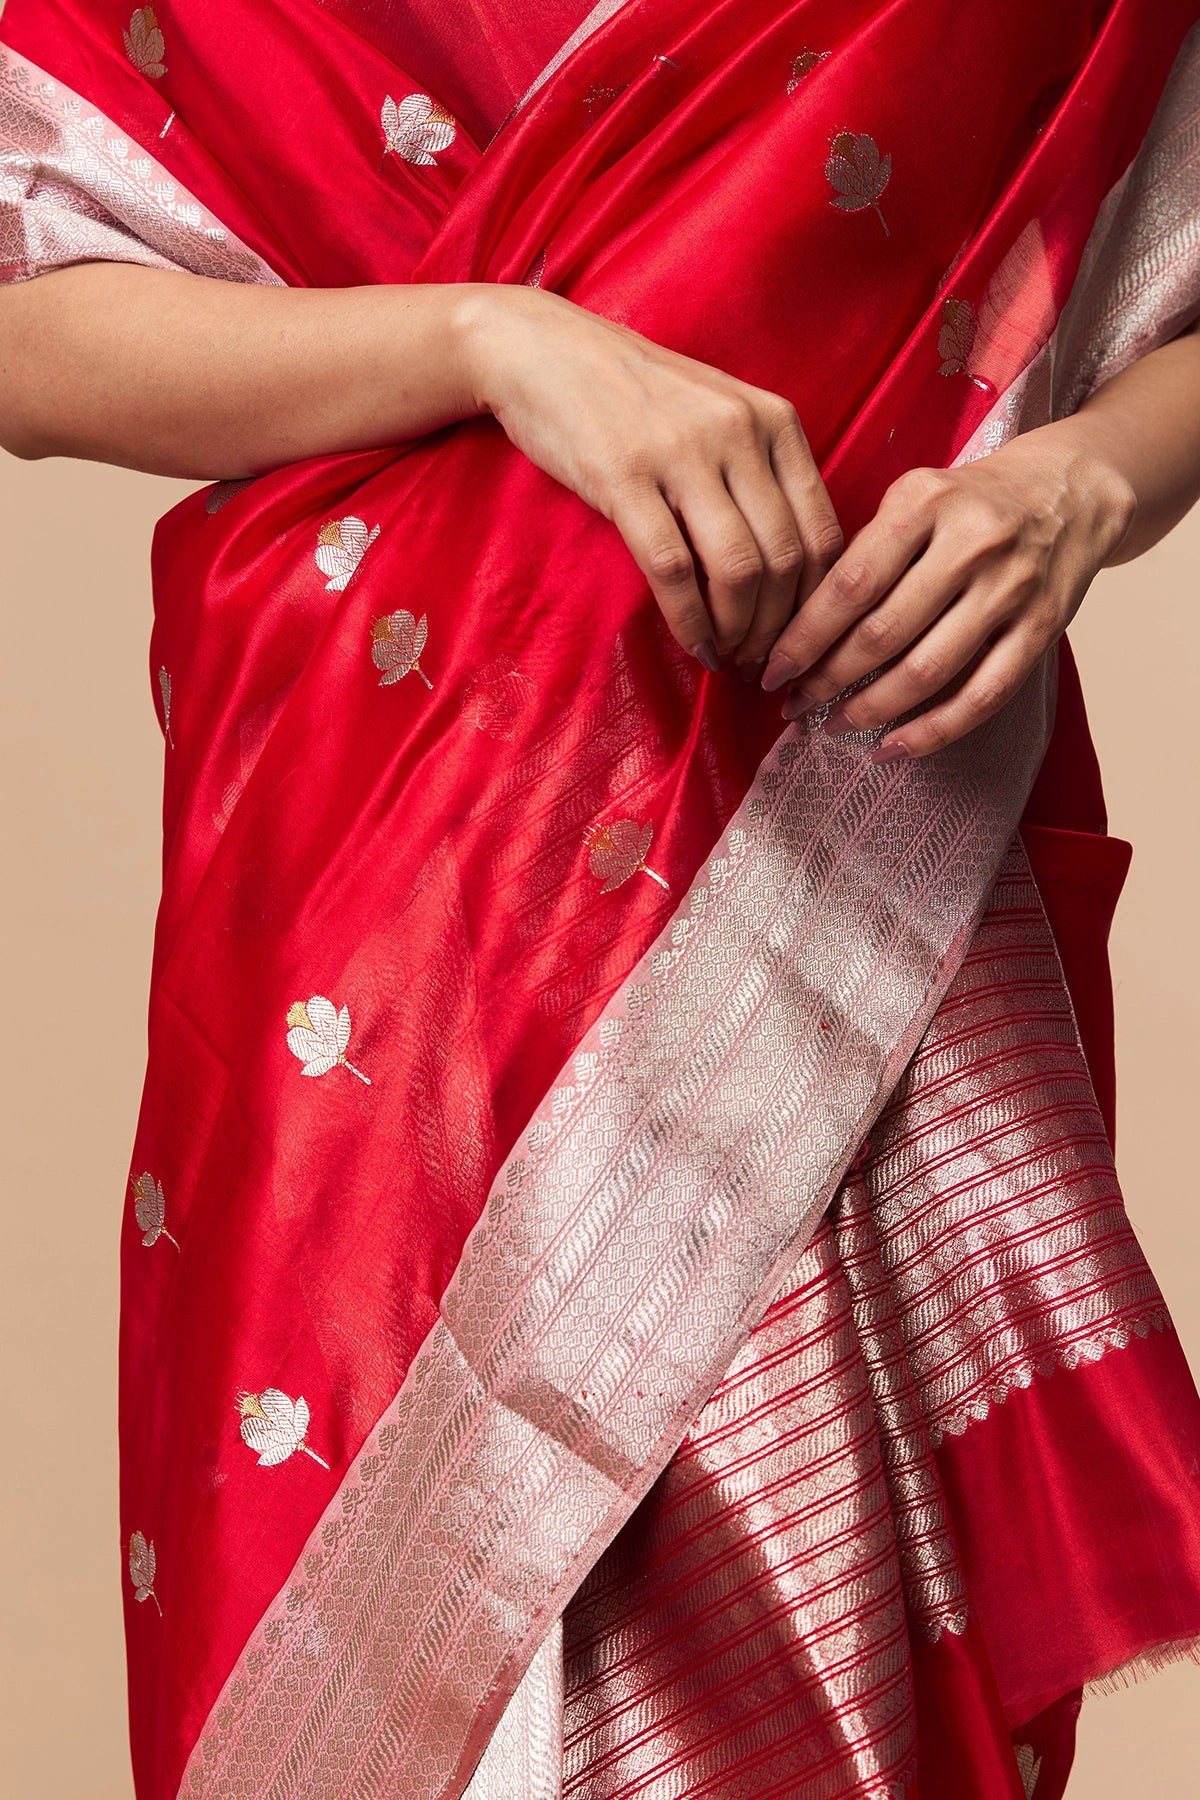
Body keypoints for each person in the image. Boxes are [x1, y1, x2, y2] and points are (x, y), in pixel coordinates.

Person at [3, 2, 1200, 1796]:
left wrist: (1086, 475)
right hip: (377, 905)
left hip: (838, 836)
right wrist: (497, 341)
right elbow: (30, 319)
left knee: (822, 1680)